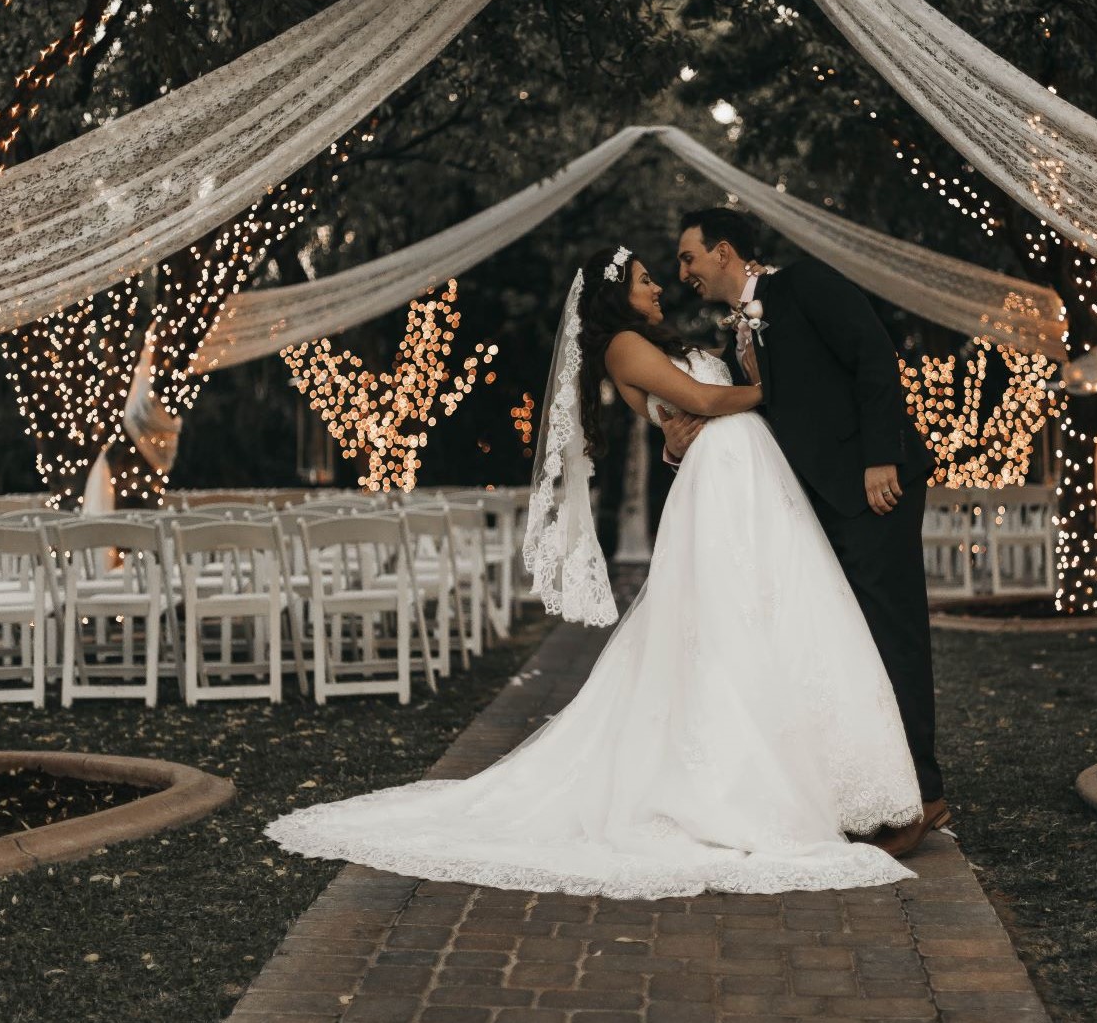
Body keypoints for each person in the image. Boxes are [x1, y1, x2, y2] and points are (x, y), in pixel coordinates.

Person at [266, 245, 923, 899]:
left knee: (779, 612)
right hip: (724, 479)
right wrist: (781, 395)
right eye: (645, 280)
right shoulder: (621, 347)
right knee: (727, 621)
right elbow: (697, 396)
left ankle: (824, 776)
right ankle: (744, 781)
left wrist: (729, 398)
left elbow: (704, 401)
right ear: (617, 294)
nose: (660, 286)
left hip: (751, 473)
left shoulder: (668, 336)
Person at [666, 208, 949, 857]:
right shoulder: (739, 329)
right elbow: (764, 413)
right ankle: (876, 791)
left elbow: (874, 357)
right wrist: (686, 441)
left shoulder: (803, 285)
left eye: (689, 257)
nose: (683, 272)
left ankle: (924, 797)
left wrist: (881, 456)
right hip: (816, 501)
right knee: (851, 645)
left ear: (725, 251)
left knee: (891, 634)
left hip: (874, 487)